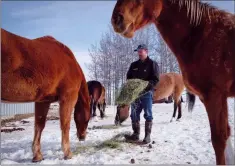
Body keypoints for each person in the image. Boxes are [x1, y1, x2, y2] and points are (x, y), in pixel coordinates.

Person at [125, 44, 160, 144]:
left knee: (148, 113)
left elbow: (155, 79)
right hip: (135, 94)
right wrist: (131, 86)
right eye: (138, 51)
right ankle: (136, 134)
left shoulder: (152, 64)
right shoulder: (133, 65)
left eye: (141, 51)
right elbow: (129, 78)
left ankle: (147, 136)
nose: (139, 53)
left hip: (147, 93)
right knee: (134, 114)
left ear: (146, 51)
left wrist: (146, 85)